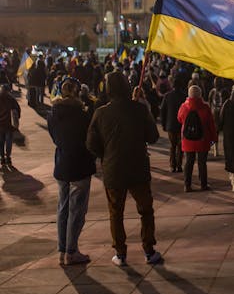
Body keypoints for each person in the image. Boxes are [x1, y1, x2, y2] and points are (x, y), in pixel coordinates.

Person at [86, 71, 162, 266]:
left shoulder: (101, 113)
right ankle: (148, 249)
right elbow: (153, 136)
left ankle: (120, 253)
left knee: (115, 213)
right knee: (145, 210)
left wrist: (106, 154)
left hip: (113, 170)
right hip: (137, 168)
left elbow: (91, 144)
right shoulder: (138, 110)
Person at [47, 78, 96, 265]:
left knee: (63, 208)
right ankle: (72, 251)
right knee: (77, 210)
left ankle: (62, 250)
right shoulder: (83, 115)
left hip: (62, 164)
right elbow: (90, 140)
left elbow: (54, 137)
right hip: (80, 165)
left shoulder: (52, 114)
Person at [177, 85, 217, 192]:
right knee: (202, 162)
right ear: (200, 94)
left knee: (188, 162)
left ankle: (187, 185)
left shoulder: (184, 107)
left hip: (187, 139)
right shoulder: (205, 107)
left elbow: (179, 119)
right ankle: (203, 184)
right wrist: (214, 138)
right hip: (202, 139)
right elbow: (211, 124)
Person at [160, 76, 186, 172]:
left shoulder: (167, 96)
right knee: (180, 146)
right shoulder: (184, 96)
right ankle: (179, 165)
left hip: (170, 124)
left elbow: (162, 111)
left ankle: (172, 165)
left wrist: (163, 124)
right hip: (181, 124)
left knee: (172, 146)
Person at [0, 84, 21, 169]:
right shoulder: (11, 99)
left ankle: (2, 158)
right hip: (9, 125)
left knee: (0, 142)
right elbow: (17, 110)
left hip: (0, 125)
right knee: (8, 142)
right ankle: (8, 157)